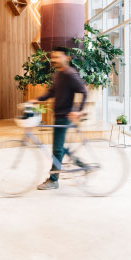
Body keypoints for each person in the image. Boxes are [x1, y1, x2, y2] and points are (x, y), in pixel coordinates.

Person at [31, 46, 87, 190]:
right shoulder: (58, 75)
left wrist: (79, 111)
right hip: (58, 116)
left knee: (57, 150)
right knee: (60, 148)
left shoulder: (70, 73)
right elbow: (51, 92)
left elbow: (83, 91)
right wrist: (36, 100)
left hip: (65, 116)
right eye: (53, 57)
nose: (54, 59)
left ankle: (53, 179)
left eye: (57, 56)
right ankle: (83, 165)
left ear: (67, 58)